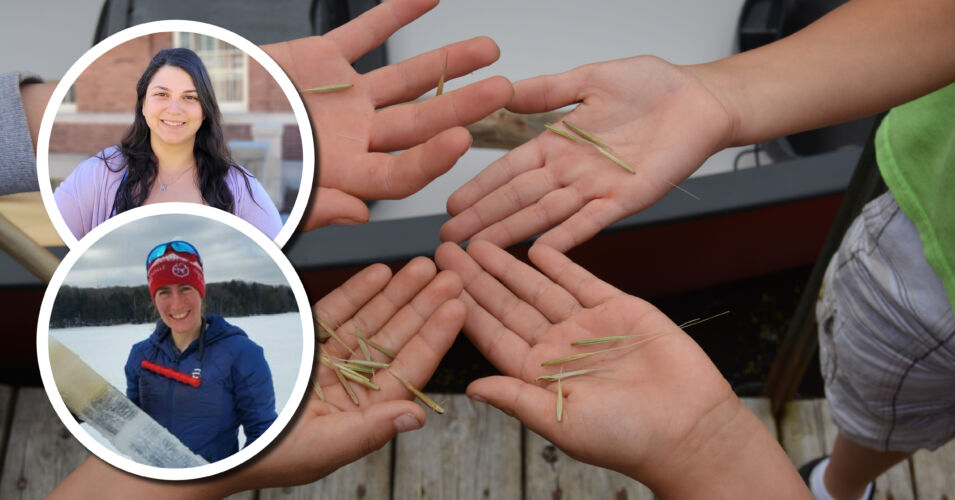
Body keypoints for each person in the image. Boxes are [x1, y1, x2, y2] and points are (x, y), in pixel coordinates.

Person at [439, 1, 955, 499]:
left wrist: (703, 452)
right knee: (881, 406)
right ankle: (837, 486)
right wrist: (719, 94)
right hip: (926, 246)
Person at [52, 48, 283, 240]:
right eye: (162, 94)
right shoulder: (100, 174)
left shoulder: (238, 187)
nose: (174, 109)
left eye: (190, 97)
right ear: (143, 104)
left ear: (205, 111)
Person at [124, 240, 277, 463]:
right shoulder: (141, 356)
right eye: (164, 292)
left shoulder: (242, 353)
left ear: (200, 291)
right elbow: (131, 424)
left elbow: (264, 432)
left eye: (185, 288)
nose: (176, 304)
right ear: (154, 299)